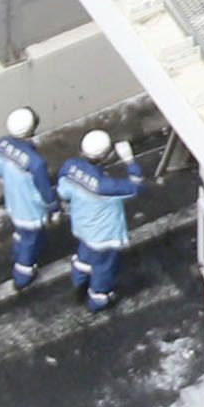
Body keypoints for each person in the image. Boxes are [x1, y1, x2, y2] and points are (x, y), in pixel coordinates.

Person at [60, 131, 143, 313]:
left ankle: (79, 282)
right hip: (104, 236)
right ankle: (99, 299)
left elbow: (63, 193)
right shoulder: (108, 186)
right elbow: (136, 187)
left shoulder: (70, 167)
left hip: (82, 226)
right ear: (106, 156)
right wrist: (130, 161)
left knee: (84, 257)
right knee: (104, 267)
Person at [0, 106, 59, 292]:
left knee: (24, 233)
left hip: (13, 200)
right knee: (30, 238)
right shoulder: (36, 162)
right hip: (30, 209)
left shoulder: (1, 144)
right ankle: (23, 274)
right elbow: (44, 190)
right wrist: (54, 207)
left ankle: (20, 248)